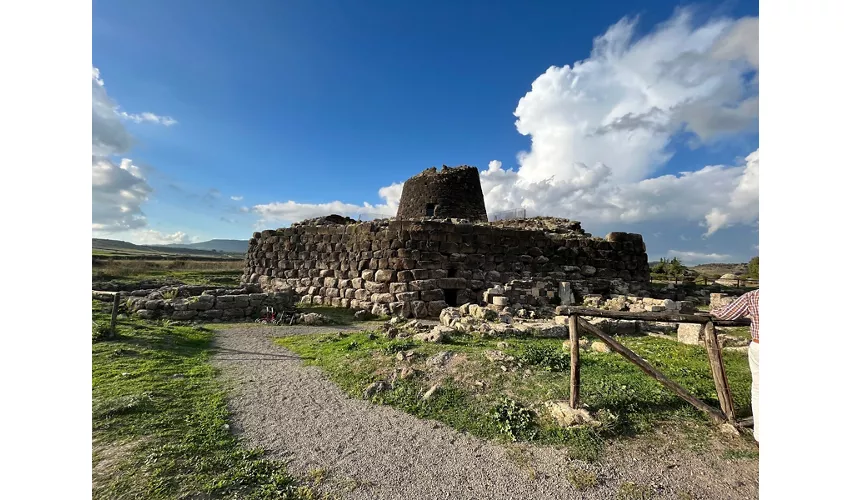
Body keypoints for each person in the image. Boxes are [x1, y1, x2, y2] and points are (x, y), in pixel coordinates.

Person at [710, 289, 759, 442]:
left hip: (760, 345)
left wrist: (713, 311)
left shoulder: (754, 296)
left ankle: (760, 435)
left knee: (759, 390)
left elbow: (727, 313)